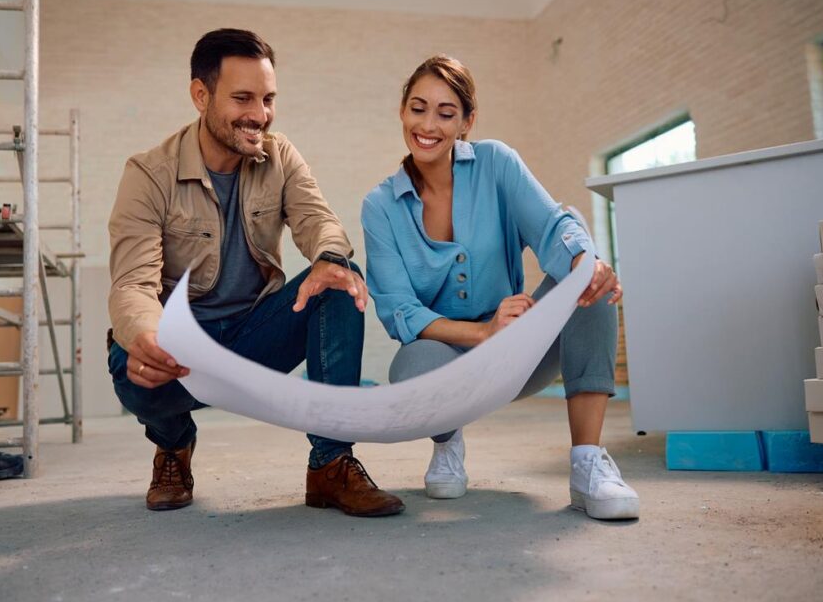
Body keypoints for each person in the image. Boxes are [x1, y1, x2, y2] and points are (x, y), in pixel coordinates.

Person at [107, 28, 403, 517]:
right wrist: (146, 336)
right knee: (129, 360)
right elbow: (133, 284)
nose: (259, 114)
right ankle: (173, 444)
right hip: (182, 346)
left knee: (337, 277)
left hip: (253, 337)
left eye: (268, 99)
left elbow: (317, 221)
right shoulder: (148, 174)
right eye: (243, 98)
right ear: (201, 95)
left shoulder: (280, 155)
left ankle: (331, 463)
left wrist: (328, 256)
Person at [360, 55, 639, 520]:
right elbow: (400, 311)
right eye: (418, 108)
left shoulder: (497, 163)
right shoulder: (380, 205)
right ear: (403, 112)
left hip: (521, 353)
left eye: (446, 113)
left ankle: (588, 464)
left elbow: (553, 226)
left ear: (467, 122)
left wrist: (583, 261)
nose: (428, 125)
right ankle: (447, 444)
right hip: (450, 358)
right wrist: (485, 332)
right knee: (410, 367)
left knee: (585, 279)